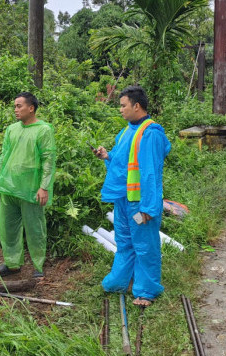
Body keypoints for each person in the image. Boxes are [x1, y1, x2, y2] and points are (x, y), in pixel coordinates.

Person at [92, 86, 171, 307]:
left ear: (137, 106)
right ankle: (122, 281)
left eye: (123, 105)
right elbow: (121, 160)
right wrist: (107, 155)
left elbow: (150, 173)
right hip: (123, 201)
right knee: (124, 242)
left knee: (145, 245)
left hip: (140, 205)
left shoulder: (151, 133)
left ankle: (146, 291)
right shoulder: (127, 131)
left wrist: (149, 207)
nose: (120, 110)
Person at [0, 92, 56, 280]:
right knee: (8, 227)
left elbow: (48, 159)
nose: (16, 110)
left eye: (19, 106)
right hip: (9, 187)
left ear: (31, 108)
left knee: (35, 228)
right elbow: (4, 156)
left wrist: (44, 186)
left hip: (31, 189)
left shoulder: (43, 130)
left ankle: (38, 264)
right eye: (15, 106)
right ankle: (12, 263)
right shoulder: (12, 129)